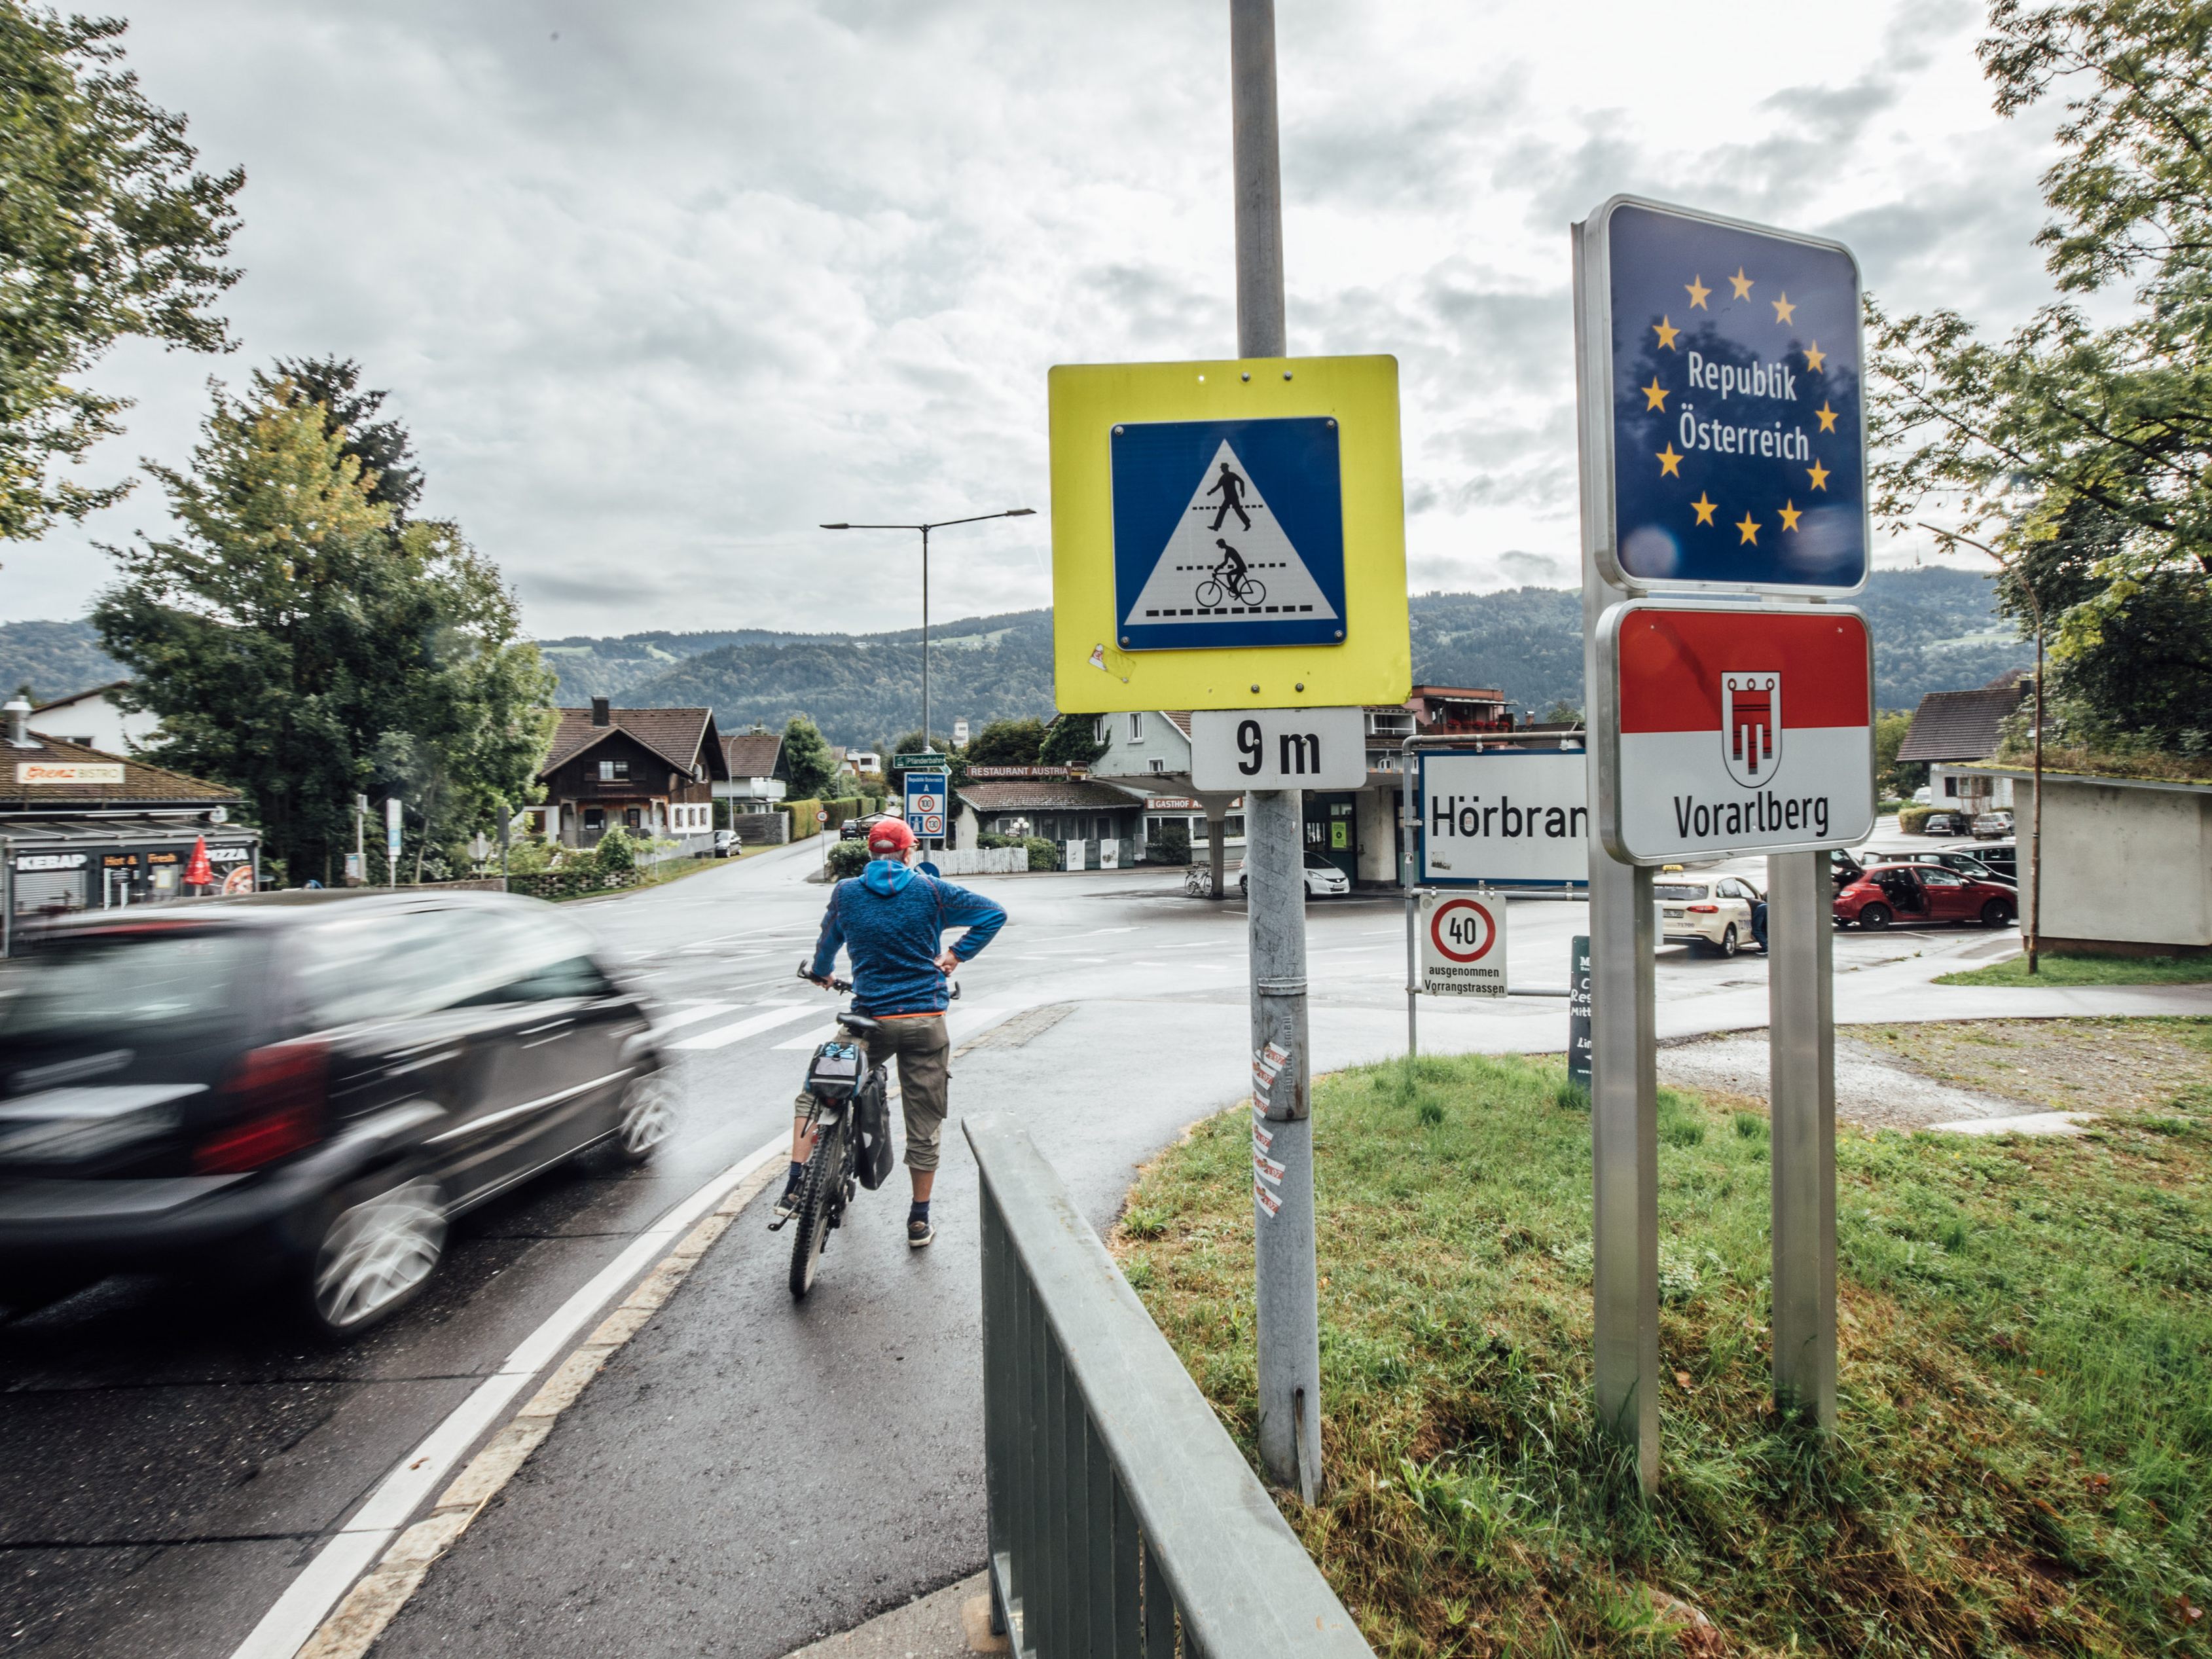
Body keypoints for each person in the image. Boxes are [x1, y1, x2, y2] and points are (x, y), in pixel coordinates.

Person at [782, 817, 1007, 1248]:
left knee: (815, 1090)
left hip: (870, 1022)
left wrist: (823, 973)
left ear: (869, 852)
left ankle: (796, 1182)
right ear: (909, 852)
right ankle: (919, 1220)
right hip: (924, 1022)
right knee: (923, 1122)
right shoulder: (931, 890)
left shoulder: (846, 893)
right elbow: (993, 914)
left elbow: (828, 943)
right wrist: (955, 955)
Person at [1205, 461, 1251, 531]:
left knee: (1237, 510)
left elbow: (1241, 481)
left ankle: (1247, 524)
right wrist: (1211, 492)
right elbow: (1218, 486)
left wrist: (1242, 491)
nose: (1221, 470)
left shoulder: (1231, 475)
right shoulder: (1223, 477)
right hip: (1228, 498)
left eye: (1222, 468)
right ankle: (1216, 527)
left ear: (1225, 468)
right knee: (1225, 510)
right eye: (1221, 468)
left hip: (1233, 497)